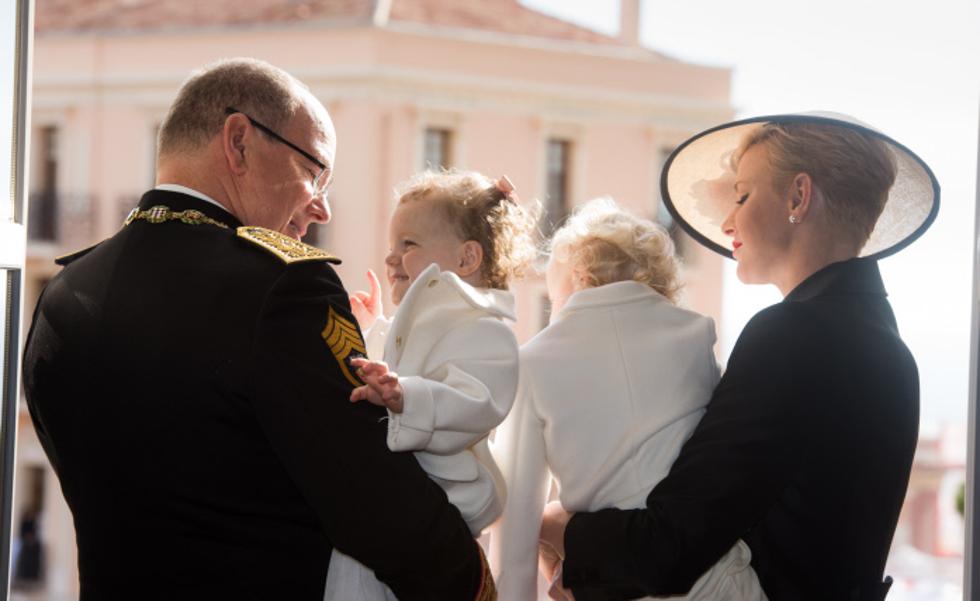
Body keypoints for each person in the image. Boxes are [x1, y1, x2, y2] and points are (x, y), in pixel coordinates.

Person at [21, 58, 494, 600]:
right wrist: (476, 582)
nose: (321, 207)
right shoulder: (282, 289)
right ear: (240, 142)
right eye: (315, 173)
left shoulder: (61, 295)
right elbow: (372, 499)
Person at [539, 113, 940, 601]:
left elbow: (670, 548)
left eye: (743, 195)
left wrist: (554, 525)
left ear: (798, 196)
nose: (728, 221)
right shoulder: (887, 346)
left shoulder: (794, 335)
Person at [490, 198, 764, 601]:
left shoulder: (531, 363)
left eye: (552, 299)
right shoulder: (695, 335)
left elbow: (515, 531)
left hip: (614, 584)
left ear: (579, 276)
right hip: (720, 583)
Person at [324, 170, 537, 601]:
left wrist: (407, 395)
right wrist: (371, 329)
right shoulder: (419, 323)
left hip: (443, 499)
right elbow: (395, 370)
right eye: (391, 247)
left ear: (466, 259)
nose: (391, 259)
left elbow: (475, 401)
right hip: (399, 498)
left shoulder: (487, 330)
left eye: (409, 244)